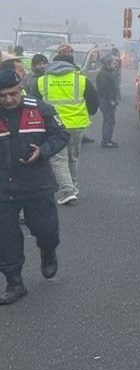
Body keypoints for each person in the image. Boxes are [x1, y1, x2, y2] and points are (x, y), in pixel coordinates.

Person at [0, 70, 68, 305]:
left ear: (21, 89)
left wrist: (43, 151)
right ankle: (14, 282)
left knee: (46, 230)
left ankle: (47, 250)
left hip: (36, 182)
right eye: (3, 96)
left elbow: (61, 135)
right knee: (5, 237)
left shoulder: (40, 109)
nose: (8, 100)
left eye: (13, 94)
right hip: (3, 187)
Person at [38, 45, 99, 205]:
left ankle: (68, 190)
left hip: (54, 126)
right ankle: (73, 186)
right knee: (73, 157)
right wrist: (88, 112)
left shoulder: (43, 80)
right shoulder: (80, 79)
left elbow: (35, 102)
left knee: (58, 159)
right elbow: (94, 101)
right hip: (77, 124)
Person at [95, 55, 121, 148]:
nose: (115, 65)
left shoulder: (106, 73)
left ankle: (107, 140)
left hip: (105, 100)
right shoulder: (104, 74)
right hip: (106, 101)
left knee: (108, 120)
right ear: (107, 64)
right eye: (113, 63)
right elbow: (106, 89)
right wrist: (111, 100)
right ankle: (106, 141)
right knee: (109, 120)